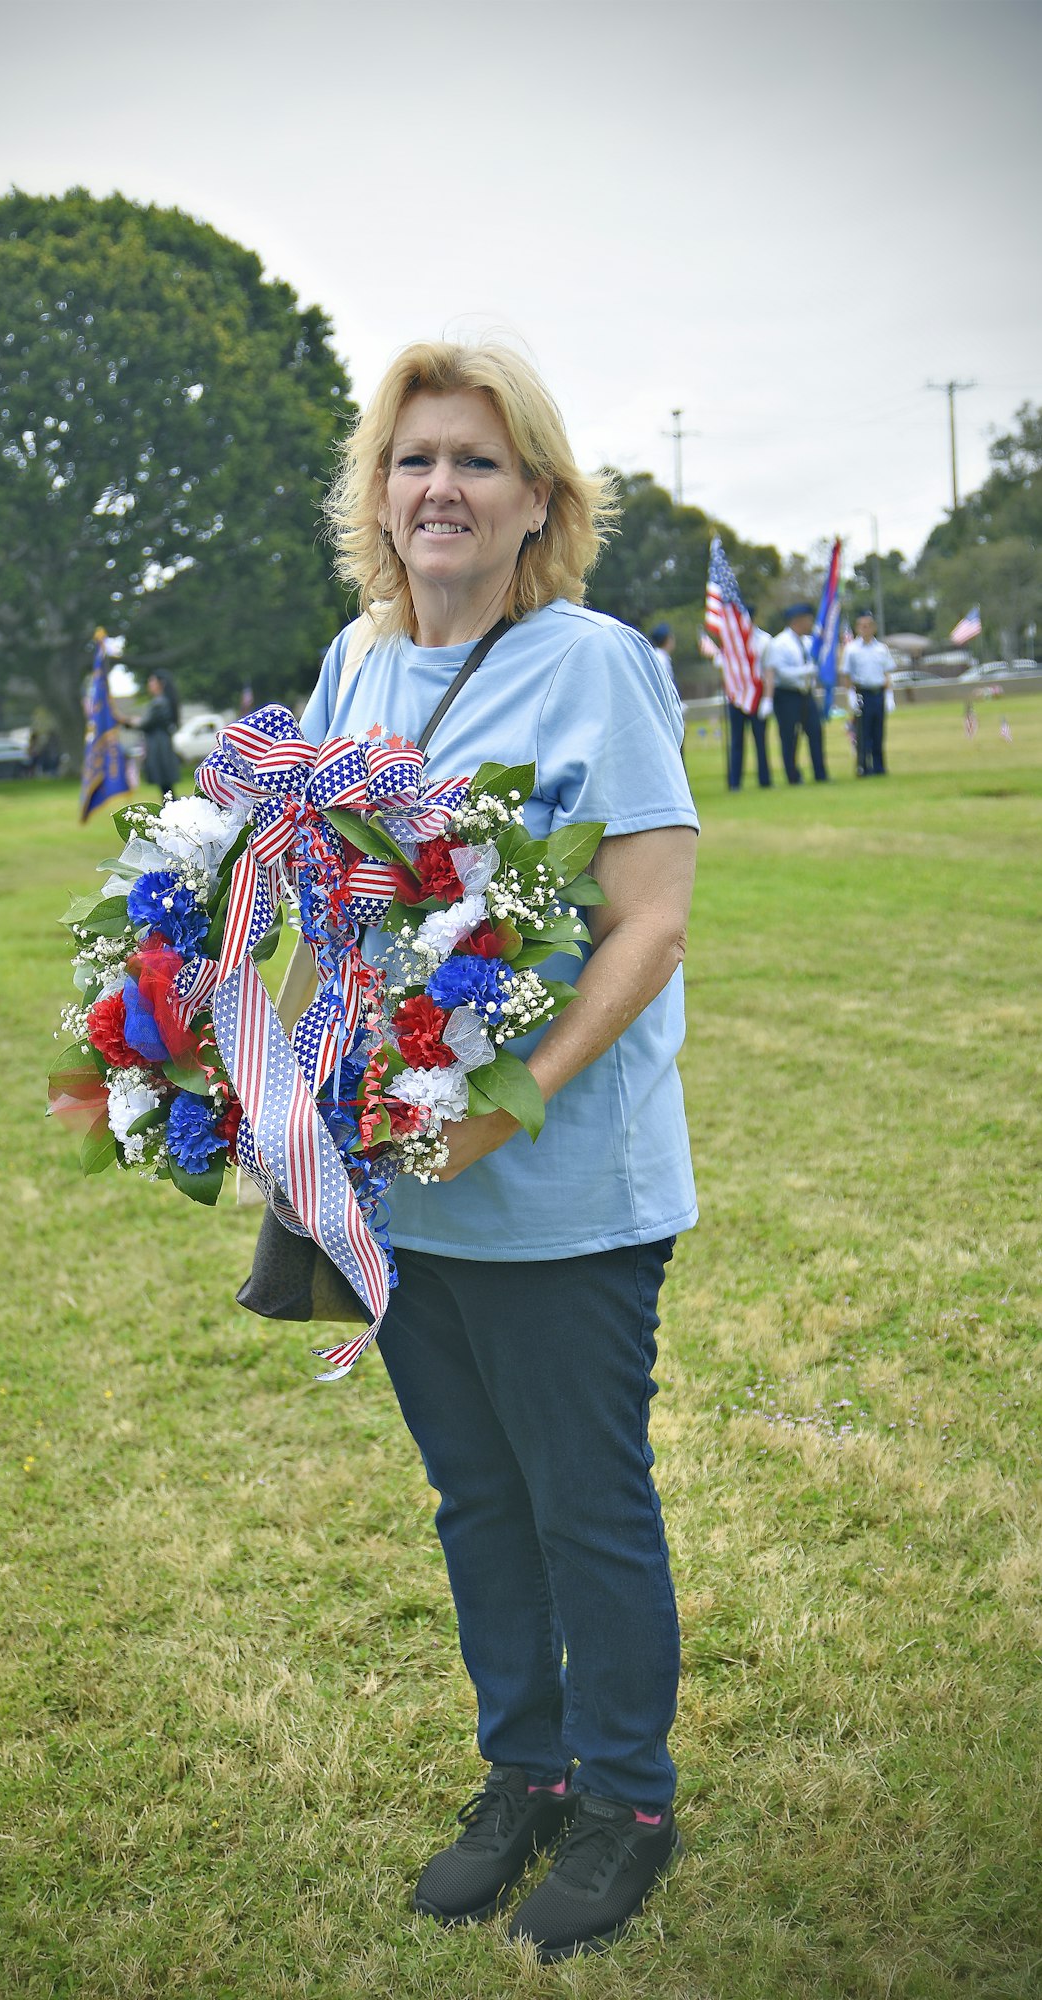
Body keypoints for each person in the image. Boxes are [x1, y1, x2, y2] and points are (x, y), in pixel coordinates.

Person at [303, 341, 699, 1962]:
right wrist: (286, 1086)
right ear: (375, 496)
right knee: (475, 1497)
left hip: (561, 1188)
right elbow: (326, 897)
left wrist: (499, 1092)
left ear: (536, 497)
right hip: (405, 1194)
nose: (439, 490)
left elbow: (647, 923)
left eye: (474, 461)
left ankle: (625, 1798)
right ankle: (521, 1771)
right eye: (412, 462)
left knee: (579, 1501)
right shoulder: (352, 665)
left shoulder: (590, 661)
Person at [761, 602, 828, 783]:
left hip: (806, 693)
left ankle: (820, 773)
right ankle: (793, 776)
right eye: (808, 620)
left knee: (815, 732)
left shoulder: (808, 642)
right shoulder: (779, 643)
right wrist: (807, 671)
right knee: (789, 737)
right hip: (787, 695)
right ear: (797, 621)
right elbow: (781, 672)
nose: (810, 623)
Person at [841, 611, 894, 776]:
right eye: (863, 626)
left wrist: (890, 696)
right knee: (863, 732)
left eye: (869, 625)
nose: (866, 629)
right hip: (861, 693)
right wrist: (850, 696)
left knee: (878, 731)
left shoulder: (881, 649)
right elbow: (847, 674)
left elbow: (887, 673)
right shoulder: (851, 649)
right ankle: (863, 766)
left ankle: (879, 766)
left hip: (878, 692)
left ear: (874, 627)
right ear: (858, 628)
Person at [725, 608, 773, 790]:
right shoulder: (731, 639)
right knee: (737, 739)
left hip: (757, 693)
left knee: (760, 739)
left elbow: (769, 671)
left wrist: (768, 698)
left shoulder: (764, 640)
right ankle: (735, 782)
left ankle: (765, 780)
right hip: (737, 693)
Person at [137, 673, 181, 799]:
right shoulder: (165, 701)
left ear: (161, 684)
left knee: (165, 786)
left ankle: (171, 811)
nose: (149, 685)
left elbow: (146, 723)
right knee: (166, 786)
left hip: (159, 746)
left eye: (152, 682)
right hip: (163, 744)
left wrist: (128, 721)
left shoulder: (159, 702)